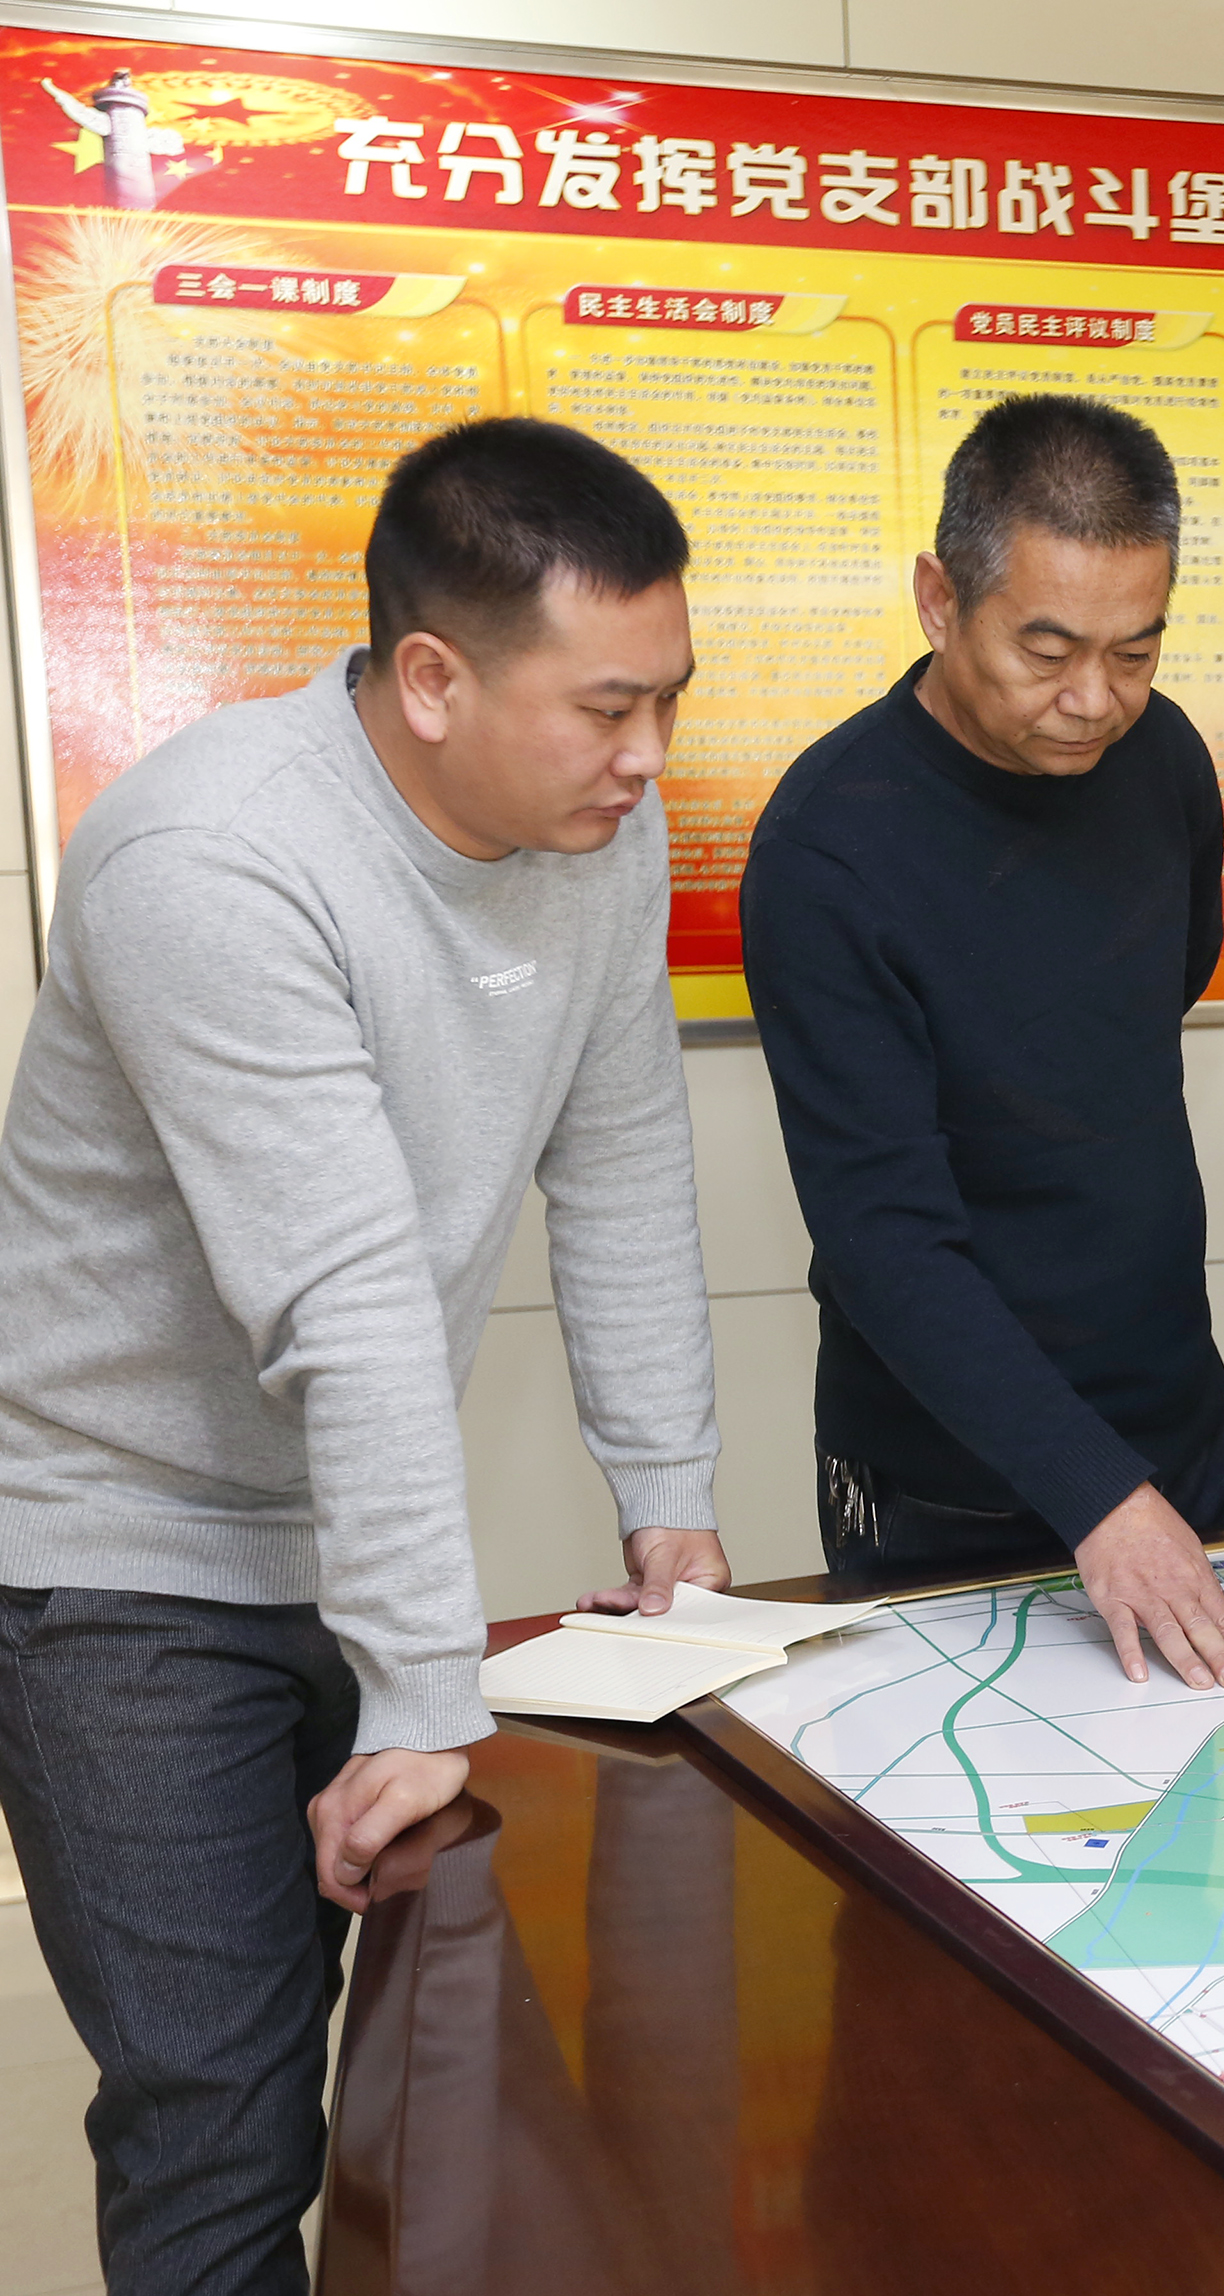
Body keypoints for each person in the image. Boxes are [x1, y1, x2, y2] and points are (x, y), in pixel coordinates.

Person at [0, 417, 726, 2295]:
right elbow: (349, 1295)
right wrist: (420, 1689)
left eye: (668, 697)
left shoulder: (597, 838)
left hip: (342, 1530)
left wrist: (670, 1508)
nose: (650, 755)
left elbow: (622, 1163)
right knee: (223, 2112)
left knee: (423, 2060)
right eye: (608, 707)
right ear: (430, 678)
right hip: (117, 1562)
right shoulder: (213, 860)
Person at [742, 394, 1224, 1693]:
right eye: (1046, 649)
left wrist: (1134, 1486)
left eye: (1135, 650)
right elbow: (882, 1234)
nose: (1094, 700)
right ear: (939, 599)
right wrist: (1094, 1494)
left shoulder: (1166, 758)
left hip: (1174, 1441)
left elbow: (1142, 1016)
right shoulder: (827, 847)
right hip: (944, 1489)